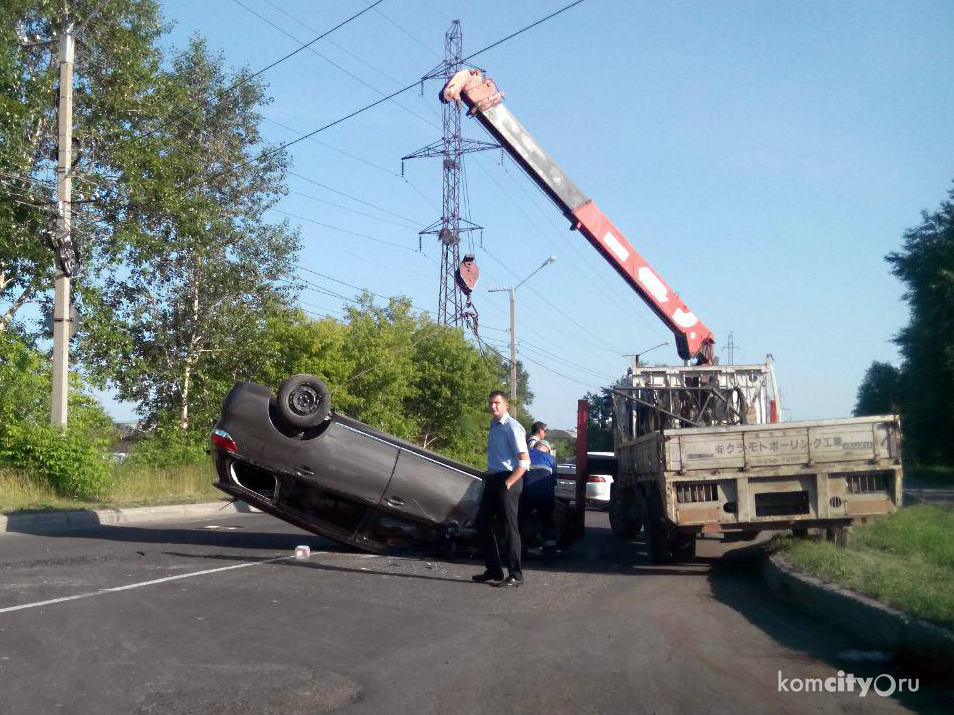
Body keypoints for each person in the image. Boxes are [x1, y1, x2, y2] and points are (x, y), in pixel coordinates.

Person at [473, 391, 528, 588]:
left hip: (509, 479)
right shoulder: (494, 425)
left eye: (497, 403)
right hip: (494, 478)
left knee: (508, 527)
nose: (493, 406)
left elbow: (524, 461)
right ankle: (494, 569)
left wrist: (509, 482)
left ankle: (516, 574)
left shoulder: (513, 427)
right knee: (481, 522)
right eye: (491, 403)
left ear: (505, 405)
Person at [521, 437, 558, 565]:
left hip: (527, 493)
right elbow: (553, 482)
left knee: (518, 520)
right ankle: (549, 557)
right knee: (547, 524)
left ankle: (516, 550)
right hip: (546, 496)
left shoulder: (526, 455)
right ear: (547, 450)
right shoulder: (551, 459)